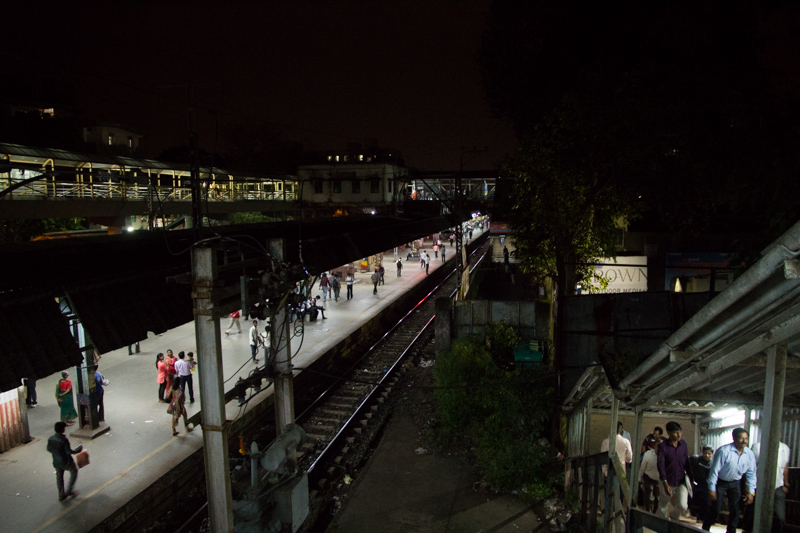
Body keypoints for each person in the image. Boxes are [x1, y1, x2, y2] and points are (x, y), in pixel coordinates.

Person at [702, 427, 757, 533]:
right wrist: (711, 489)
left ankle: (731, 531)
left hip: (735, 483)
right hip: (720, 482)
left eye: (746, 438)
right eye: (741, 438)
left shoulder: (749, 454)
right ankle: (705, 528)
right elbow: (714, 471)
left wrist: (751, 491)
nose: (744, 441)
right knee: (716, 508)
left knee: (736, 510)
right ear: (734, 438)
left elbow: (751, 473)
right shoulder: (724, 451)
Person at [744, 439, 791, 533]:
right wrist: (749, 486)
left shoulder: (785, 448)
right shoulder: (757, 447)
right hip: (758, 486)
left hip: (778, 486)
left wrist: (786, 484)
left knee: (780, 517)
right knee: (752, 513)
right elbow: (750, 467)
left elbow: (785, 467)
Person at [656, 421, 692, 520]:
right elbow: (661, 465)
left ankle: (674, 516)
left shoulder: (683, 445)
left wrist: (691, 478)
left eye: (680, 432)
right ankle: (661, 526)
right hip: (667, 480)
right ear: (668, 433)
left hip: (681, 481)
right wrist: (665, 483)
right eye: (675, 432)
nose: (679, 434)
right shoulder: (663, 447)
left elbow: (686, 462)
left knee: (683, 505)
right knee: (664, 504)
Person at [47, 421, 81, 501]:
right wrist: (77, 451)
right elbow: (68, 451)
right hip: (66, 461)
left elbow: (48, 449)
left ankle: (61, 494)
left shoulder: (51, 439)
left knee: (59, 478)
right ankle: (69, 490)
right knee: (74, 471)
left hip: (56, 461)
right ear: (62, 429)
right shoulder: (64, 440)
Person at [689, 446, 714, 523]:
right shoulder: (695, 459)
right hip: (694, 483)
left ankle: (701, 517)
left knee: (704, 501)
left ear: (712, 454)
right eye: (705, 453)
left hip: (705, 485)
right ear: (702, 453)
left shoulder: (713, 463)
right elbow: (687, 466)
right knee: (690, 498)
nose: (707, 455)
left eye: (709, 454)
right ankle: (688, 511)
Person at [639, 442, 660, 513]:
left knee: (657, 496)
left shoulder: (664, 455)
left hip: (658, 479)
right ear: (655, 447)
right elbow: (642, 467)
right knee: (648, 493)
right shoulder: (648, 454)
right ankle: (647, 510)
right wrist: (640, 478)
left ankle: (654, 511)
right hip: (648, 476)